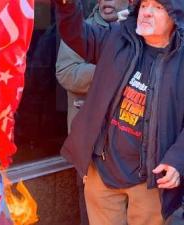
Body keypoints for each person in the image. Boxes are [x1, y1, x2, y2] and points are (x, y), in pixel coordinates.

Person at [53, 0, 184, 224]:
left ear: (175, 16)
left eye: (158, 7)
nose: (147, 13)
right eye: (144, 6)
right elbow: (76, 34)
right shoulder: (117, 40)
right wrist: (67, 6)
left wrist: (177, 160)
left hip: (150, 179)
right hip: (102, 172)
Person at [55, 1, 129, 224]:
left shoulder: (143, 29)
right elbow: (66, 72)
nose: (106, 2)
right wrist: (113, 70)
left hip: (131, 149)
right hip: (92, 147)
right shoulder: (83, 29)